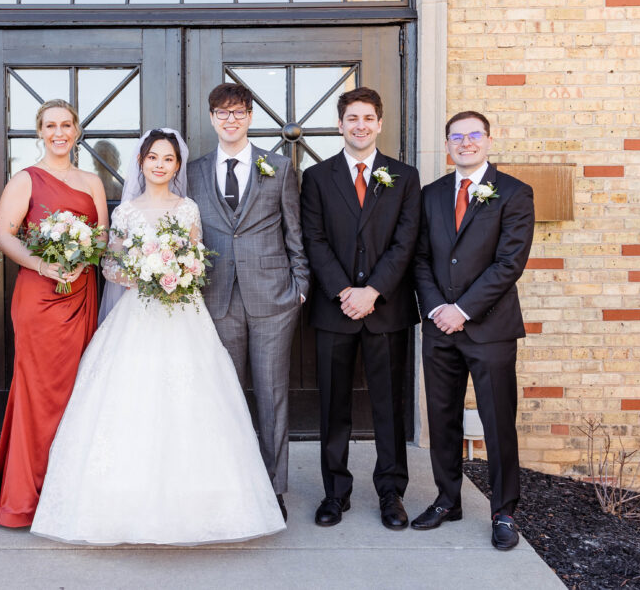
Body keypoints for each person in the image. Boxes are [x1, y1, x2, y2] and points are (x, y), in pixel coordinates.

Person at [30, 129, 285, 545]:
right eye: (153, 158)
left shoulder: (187, 209)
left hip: (183, 312)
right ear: (142, 163)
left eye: (168, 159)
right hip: (137, 312)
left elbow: (198, 259)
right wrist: (142, 272)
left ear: (177, 166)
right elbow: (110, 263)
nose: (160, 165)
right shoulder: (126, 211)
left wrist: (181, 272)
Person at [410, 111, 534, 550]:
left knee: (498, 422)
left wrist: (462, 309)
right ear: (447, 145)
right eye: (456, 136)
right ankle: (448, 499)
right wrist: (437, 310)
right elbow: (420, 258)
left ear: (488, 140)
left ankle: (504, 511)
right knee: (441, 419)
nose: (465, 142)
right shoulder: (431, 195)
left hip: (490, 328)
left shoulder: (516, 193)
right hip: (439, 327)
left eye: (473, 135)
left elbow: (509, 263)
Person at [299, 87, 421, 529]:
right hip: (335, 310)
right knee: (334, 407)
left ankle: (391, 494)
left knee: (389, 408)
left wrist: (373, 292)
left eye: (368, 117)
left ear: (380, 124)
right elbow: (313, 239)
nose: (360, 125)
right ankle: (335, 493)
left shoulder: (404, 177)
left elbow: (406, 241)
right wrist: (344, 291)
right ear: (340, 125)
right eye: (352, 118)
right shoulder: (316, 177)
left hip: (386, 310)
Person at [186, 83, 309, 520]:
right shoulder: (194, 171)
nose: (230, 119)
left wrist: (301, 285)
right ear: (213, 118)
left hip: (274, 297)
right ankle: (234, 487)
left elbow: (294, 231)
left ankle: (274, 490)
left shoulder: (278, 165)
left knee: (273, 395)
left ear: (251, 116)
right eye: (222, 112)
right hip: (217, 297)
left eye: (238, 112)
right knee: (226, 397)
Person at [0, 100, 108, 528]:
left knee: (79, 391)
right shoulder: (25, 179)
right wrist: (43, 264)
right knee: (39, 393)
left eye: (66, 125)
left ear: (77, 130)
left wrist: (83, 258)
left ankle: (69, 494)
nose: (59, 132)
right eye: (50, 126)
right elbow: (3, 234)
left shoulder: (92, 181)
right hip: (39, 297)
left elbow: (102, 235)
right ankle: (25, 498)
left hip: (80, 292)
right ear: (39, 132)